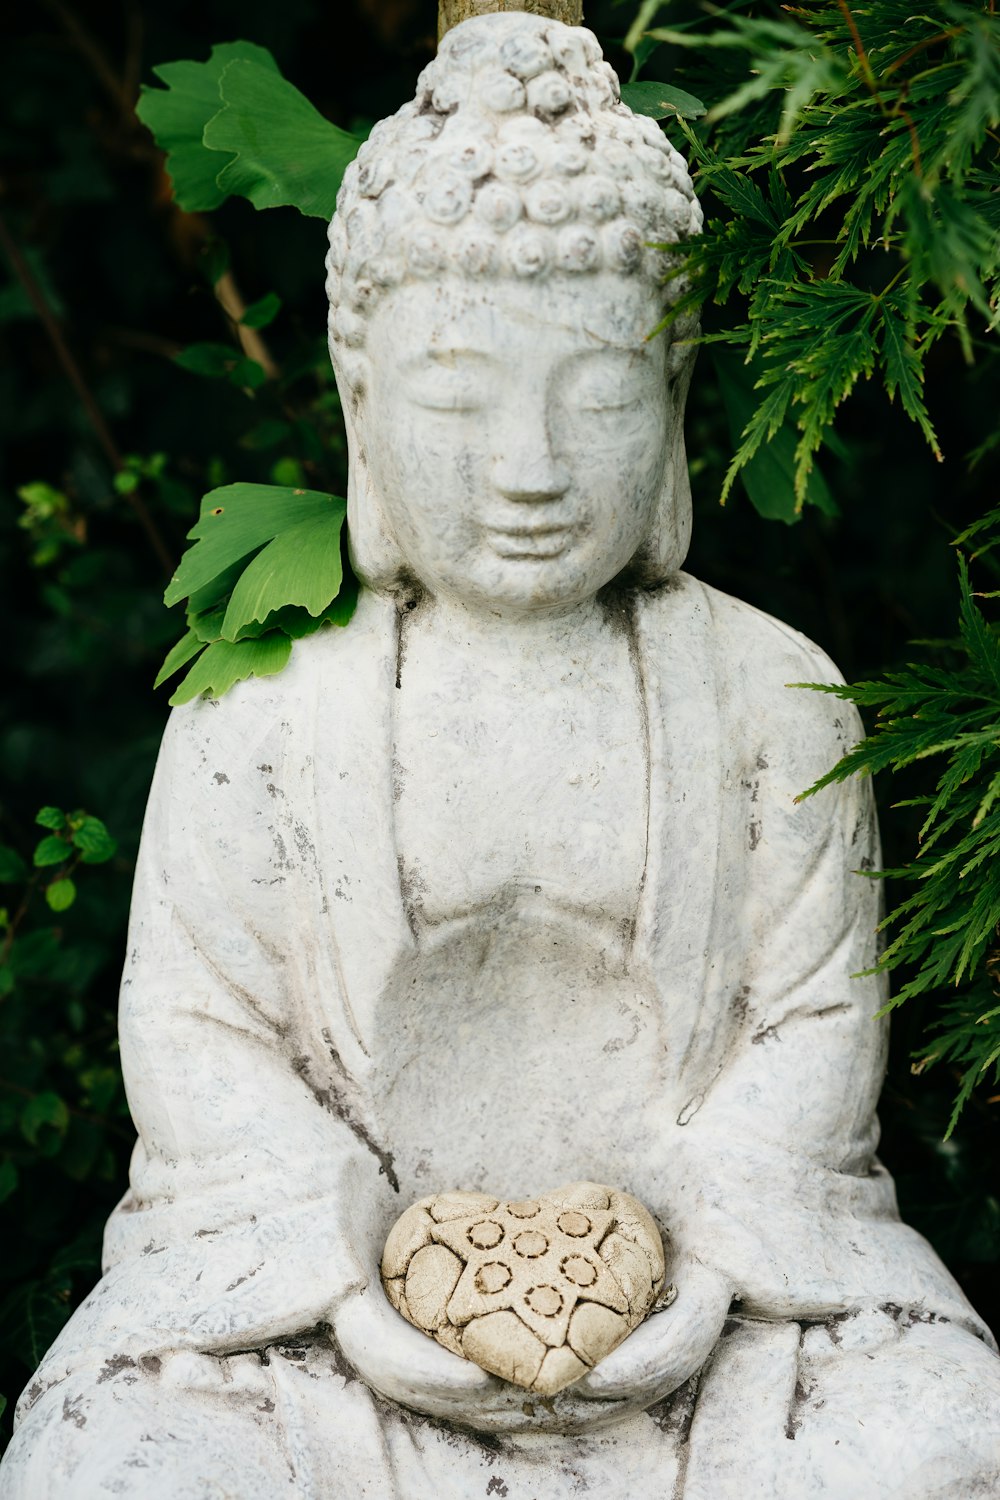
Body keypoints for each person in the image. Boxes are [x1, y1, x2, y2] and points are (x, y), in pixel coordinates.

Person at [2, 14, 998, 1498]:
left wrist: (701, 1267)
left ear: (668, 408)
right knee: (113, 1466)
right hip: (314, 1335)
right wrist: (353, 1282)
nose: (527, 469)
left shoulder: (774, 692)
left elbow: (815, 1040)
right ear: (360, 401)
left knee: (937, 1440)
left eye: (594, 398)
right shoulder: (259, 712)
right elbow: (198, 1038)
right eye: (458, 402)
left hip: (726, 1326)